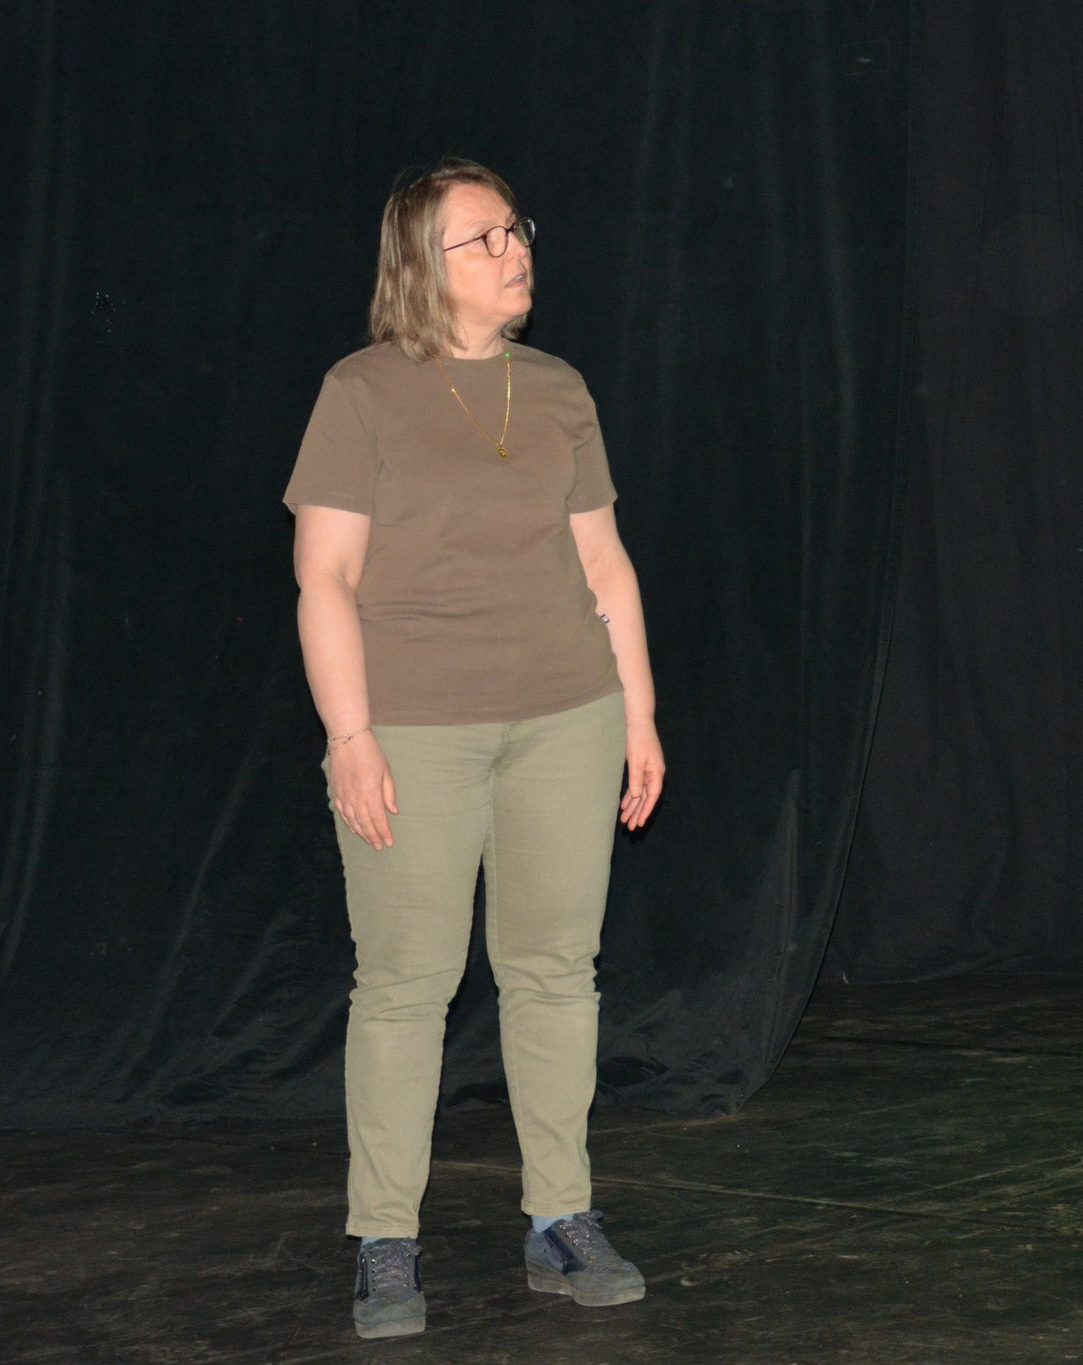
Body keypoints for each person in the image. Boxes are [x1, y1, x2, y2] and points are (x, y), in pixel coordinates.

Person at [284, 159, 665, 1340]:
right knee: (406, 984)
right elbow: (323, 577)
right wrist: (350, 736)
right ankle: (383, 1240)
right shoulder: (360, 391)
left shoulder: (557, 389)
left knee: (555, 970)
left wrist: (638, 714)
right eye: (484, 237)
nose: (515, 250)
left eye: (515, 229)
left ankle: (560, 1217)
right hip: (413, 728)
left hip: (566, 716)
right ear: (421, 264)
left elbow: (603, 565)